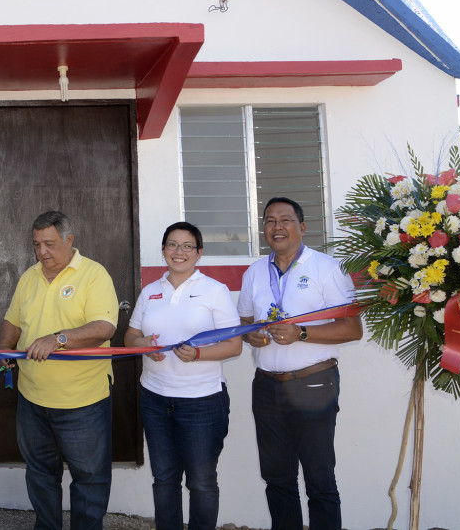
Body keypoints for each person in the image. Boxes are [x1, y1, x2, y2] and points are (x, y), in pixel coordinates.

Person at [238, 197, 362, 530]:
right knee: (277, 479)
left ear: (302, 227)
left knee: (319, 479)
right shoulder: (254, 272)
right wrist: (255, 337)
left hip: (314, 384)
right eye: (269, 221)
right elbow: (245, 323)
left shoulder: (326, 268)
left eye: (285, 220)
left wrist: (301, 333)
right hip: (266, 387)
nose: (277, 227)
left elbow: (353, 328)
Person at [0, 211, 118, 530]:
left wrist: (58, 338)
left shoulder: (94, 274)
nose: (43, 252)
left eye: (49, 244)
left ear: (69, 240)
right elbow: (13, 321)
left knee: (89, 481)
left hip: (83, 403)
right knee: (40, 477)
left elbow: (105, 327)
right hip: (33, 401)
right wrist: (2, 351)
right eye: (37, 245)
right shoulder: (29, 276)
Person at [123, 222, 241, 530]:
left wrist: (199, 353)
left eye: (187, 246)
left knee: (201, 483)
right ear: (163, 250)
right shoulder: (150, 292)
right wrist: (143, 347)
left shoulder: (214, 291)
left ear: (199, 253)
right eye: (172, 245)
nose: (179, 252)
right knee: (164, 479)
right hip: (155, 399)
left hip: (202, 401)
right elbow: (130, 337)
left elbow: (234, 345)